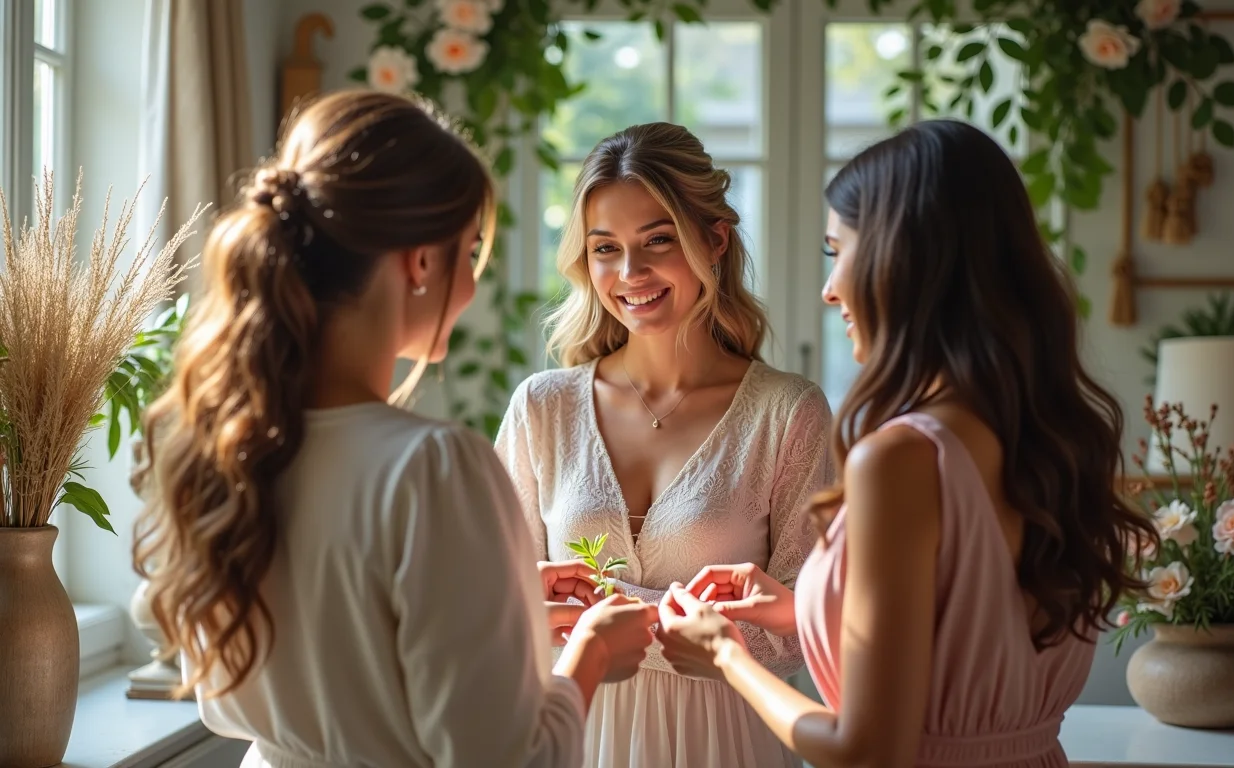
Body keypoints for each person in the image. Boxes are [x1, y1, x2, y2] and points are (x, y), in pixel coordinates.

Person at [132, 90, 656, 768]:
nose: (468, 288)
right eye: (469, 253)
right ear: (420, 262)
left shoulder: (217, 447)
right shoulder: (433, 466)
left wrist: (514, 609)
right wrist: (590, 654)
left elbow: (251, 695)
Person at [655, 119, 1158, 768]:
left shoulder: (902, 459)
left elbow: (865, 748)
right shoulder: (1041, 436)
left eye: (838, 253)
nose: (829, 289)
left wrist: (726, 655)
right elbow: (966, 639)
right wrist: (797, 611)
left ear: (905, 257)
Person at [496, 122, 834, 768]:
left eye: (658, 240)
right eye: (604, 249)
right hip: (574, 735)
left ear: (713, 240)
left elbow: (804, 631)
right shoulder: (543, 408)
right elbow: (499, 606)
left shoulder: (787, 414)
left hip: (732, 743)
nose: (631, 273)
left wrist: (612, 622)